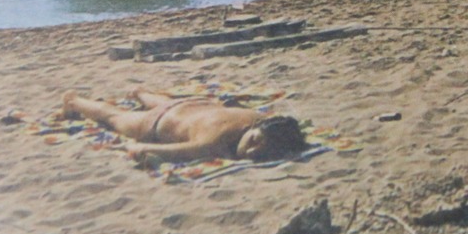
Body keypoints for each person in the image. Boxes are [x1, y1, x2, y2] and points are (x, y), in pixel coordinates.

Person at [61, 88, 308, 165]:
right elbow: (141, 149)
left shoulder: (257, 117)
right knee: (112, 116)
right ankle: (73, 101)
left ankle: (140, 92)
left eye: (260, 152)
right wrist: (134, 147)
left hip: (194, 105)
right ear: (258, 129)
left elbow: (286, 123)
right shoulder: (213, 144)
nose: (251, 151)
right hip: (156, 123)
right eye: (254, 141)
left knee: (167, 107)